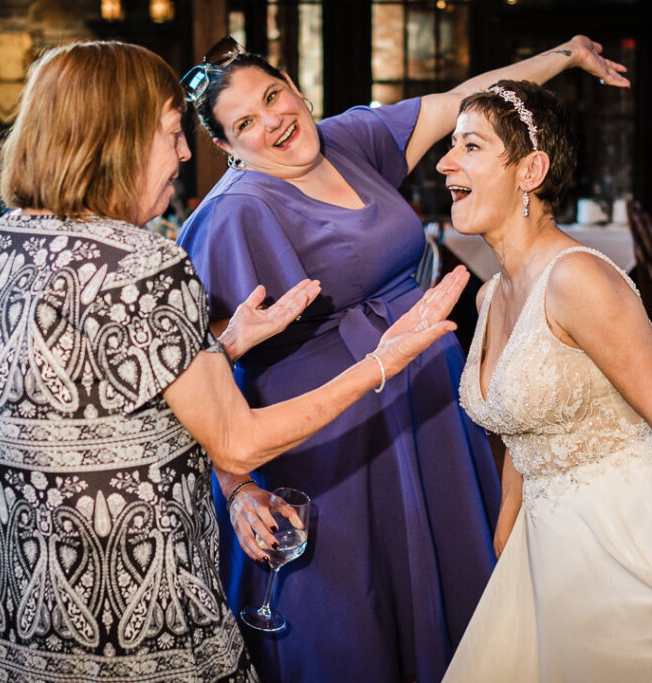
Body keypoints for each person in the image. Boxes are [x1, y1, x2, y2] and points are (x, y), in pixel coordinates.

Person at [0, 40, 467, 683]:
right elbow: (239, 440)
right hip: (127, 592)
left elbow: (96, 397)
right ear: (112, 138)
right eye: (171, 133)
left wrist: (223, 347)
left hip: (15, 591)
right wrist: (386, 360)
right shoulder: (139, 262)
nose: (186, 154)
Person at [175, 34, 629, 683]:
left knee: (451, 597)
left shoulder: (348, 139)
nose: (273, 121)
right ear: (227, 147)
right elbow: (201, 367)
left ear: (294, 86)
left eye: (272, 96)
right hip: (337, 445)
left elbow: (462, 101)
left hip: (428, 410)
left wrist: (566, 56)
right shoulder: (235, 212)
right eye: (244, 122)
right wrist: (237, 484)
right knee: (357, 619)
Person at [437, 80, 652, 681]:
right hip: (547, 549)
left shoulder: (579, 279)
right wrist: (506, 539)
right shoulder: (492, 294)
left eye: (470, 146)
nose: (444, 162)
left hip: (628, 537)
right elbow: (522, 426)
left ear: (530, 170)